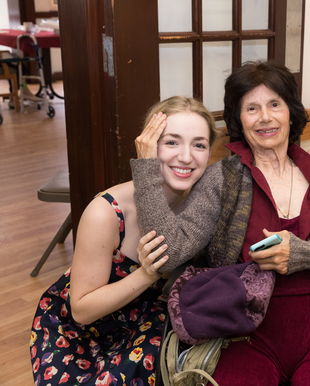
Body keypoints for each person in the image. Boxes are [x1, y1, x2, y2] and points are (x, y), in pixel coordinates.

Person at [131, 61, 310, 386]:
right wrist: (148, 168)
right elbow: (172, 250)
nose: (265, 117)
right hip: (245, 330)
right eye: (252, 107)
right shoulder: (223, 179)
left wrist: (302, 255)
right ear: (239, 119)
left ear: (291, 112)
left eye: (275, 104)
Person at [30, 96, 218, 386]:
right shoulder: (105, 212)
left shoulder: (203, 202)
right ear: (148, 146)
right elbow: (81, 309)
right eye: (171, 142)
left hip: (150, 320)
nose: (185, 156)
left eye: (199, 144)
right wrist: (146, 274)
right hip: (82, 331)